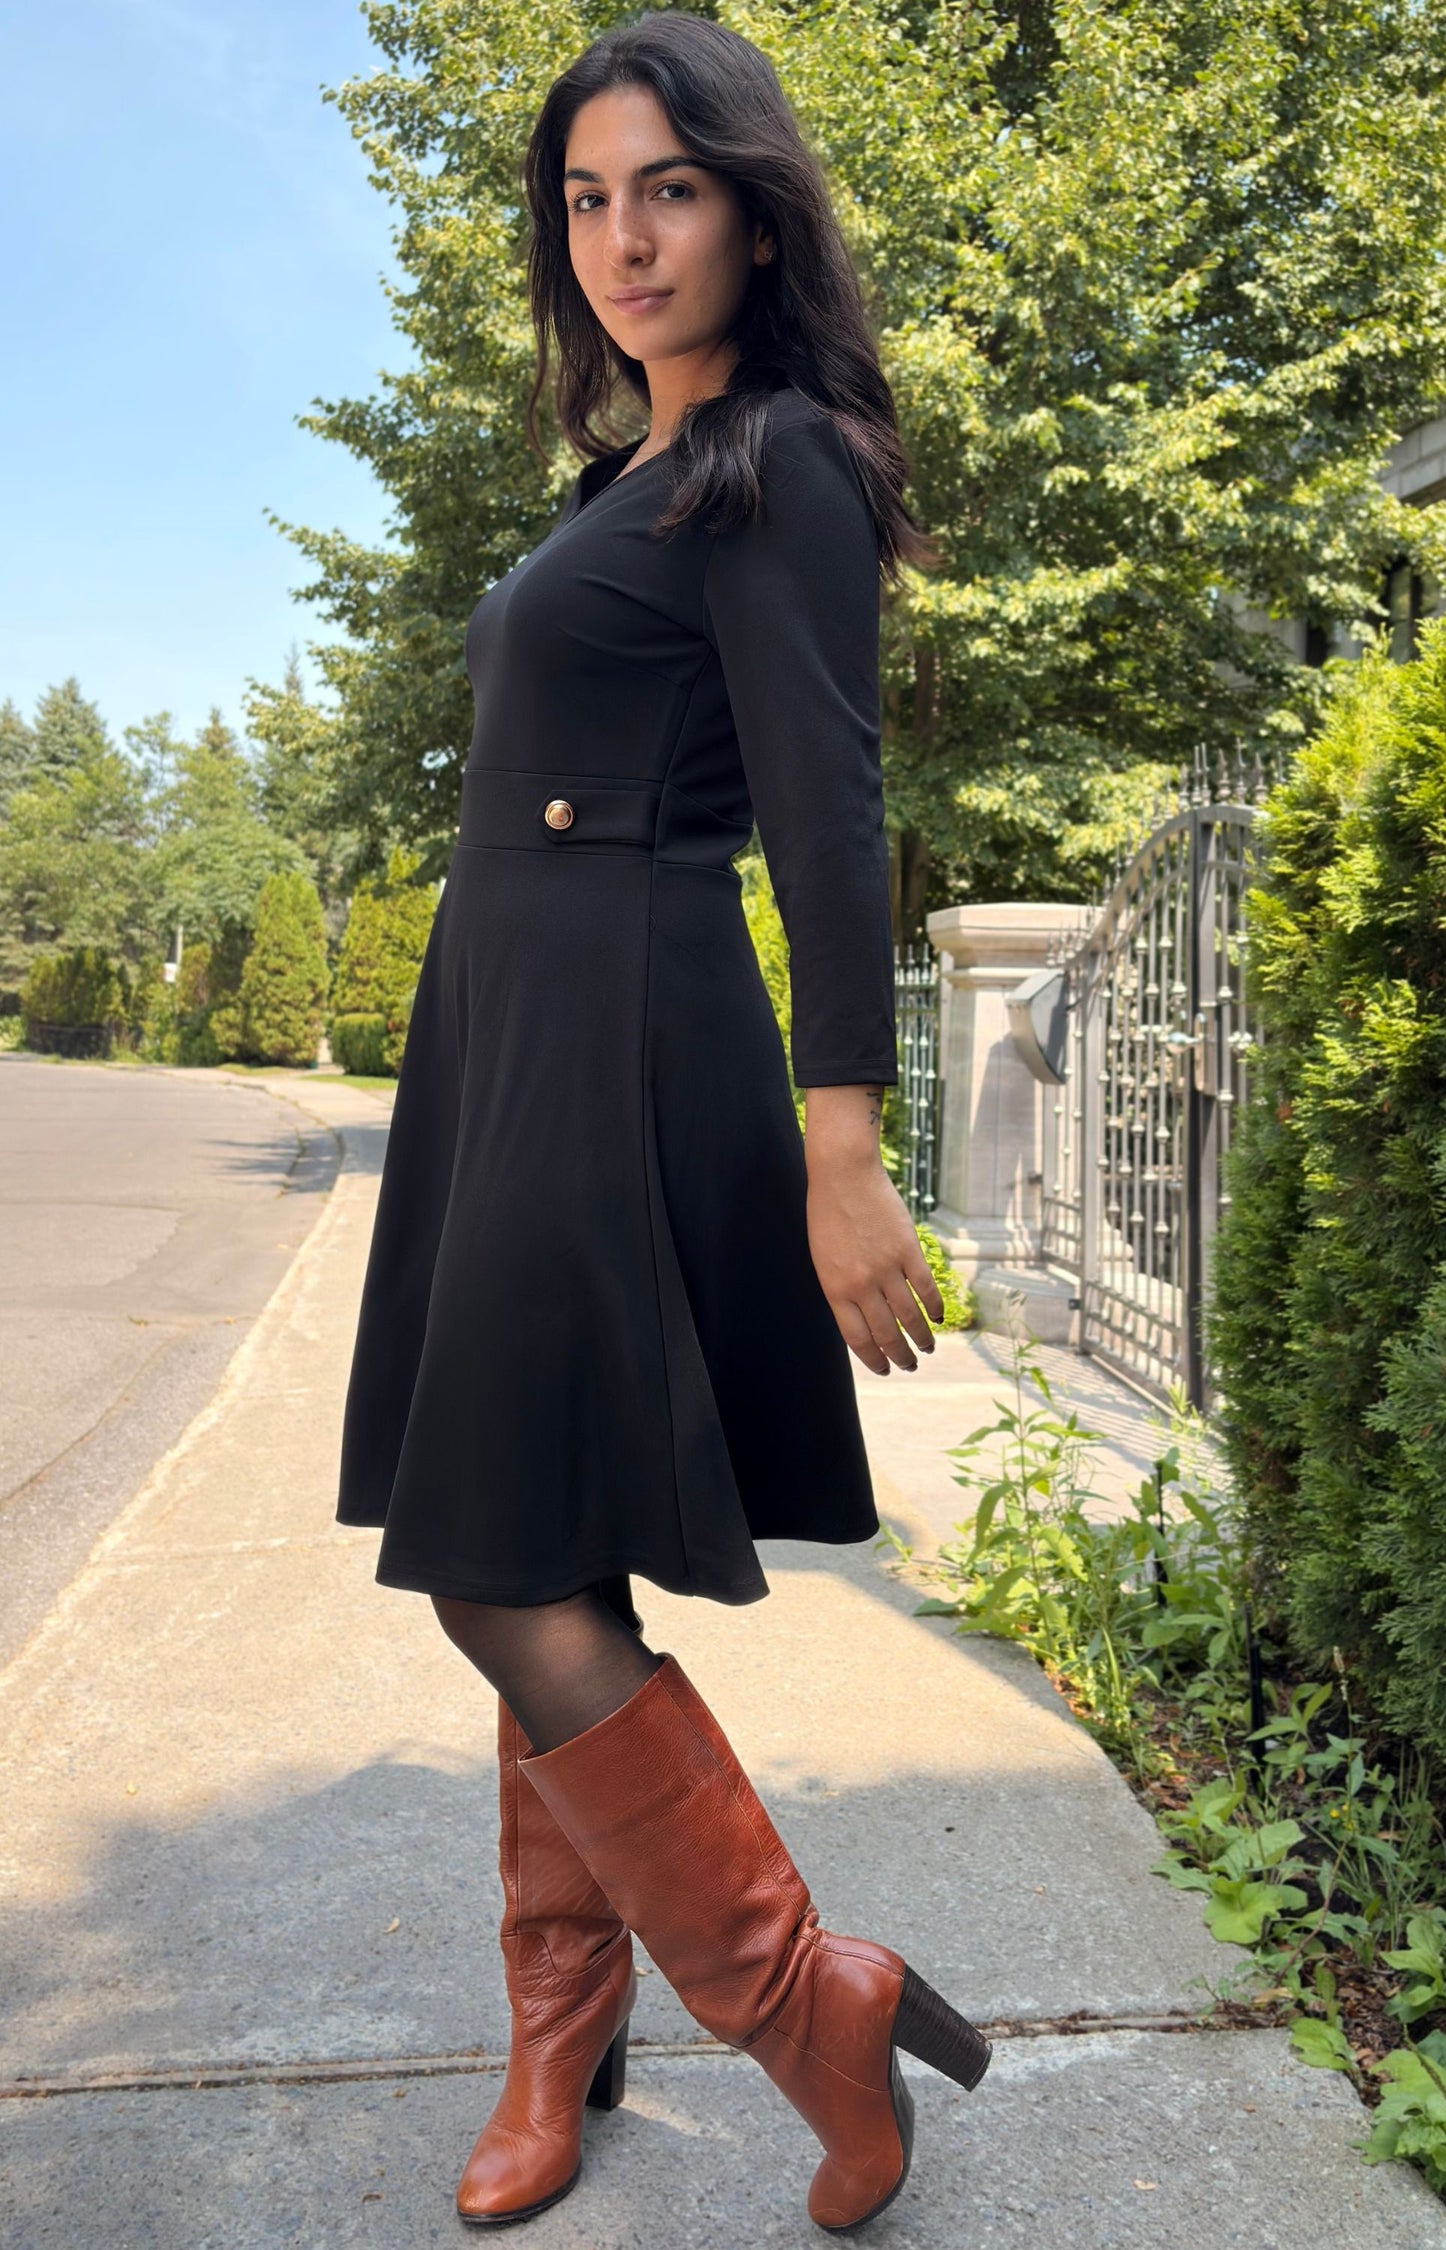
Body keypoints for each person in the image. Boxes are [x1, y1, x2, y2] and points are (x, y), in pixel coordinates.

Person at [334, 9, 990, 2232]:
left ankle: (807, 1998)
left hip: (624, 1016)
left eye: (670, 191)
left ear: (753, 215)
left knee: (498, 1567)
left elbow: (830, 807)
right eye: (587, 200)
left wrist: (843, 1146)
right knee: (541, 1515)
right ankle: (565, 2020)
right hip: (514, 1024)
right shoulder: (627, 471)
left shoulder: (776, 458)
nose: (625, 239)